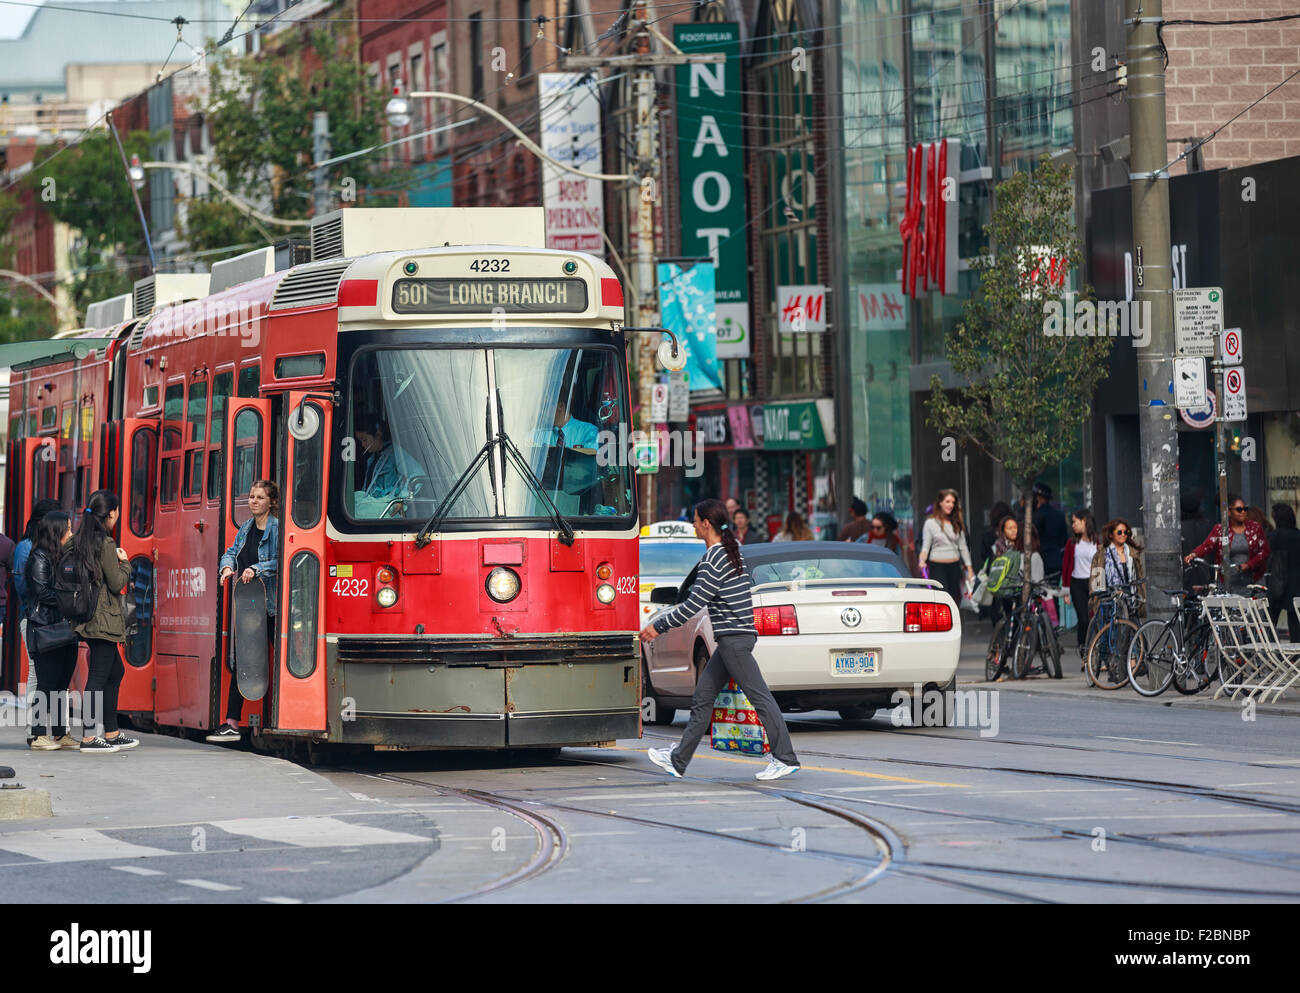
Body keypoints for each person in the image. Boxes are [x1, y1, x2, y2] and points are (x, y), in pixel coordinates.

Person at [642, 499, 800, 781]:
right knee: (703, 698)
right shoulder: (731, 550)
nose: (692, 524)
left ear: (706, 524)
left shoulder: (714, 559)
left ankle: (785, 757)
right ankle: (678, 760)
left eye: (694, 519)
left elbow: (693, 604)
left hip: (734, 642)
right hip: (733, 640)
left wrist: (658, 626)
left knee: (760, 697)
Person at [209, 481, 281, 743]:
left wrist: (257, 569)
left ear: (271, 502)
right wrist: (227, 568)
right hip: (251, 608)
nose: (253, 501)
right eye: (251, 496)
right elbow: (231, 552)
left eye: (260, 497)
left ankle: (282, 714)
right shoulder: (247, 528)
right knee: (244, 662)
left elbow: (283, 559)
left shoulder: (276, 528)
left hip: (272, 607)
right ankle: (231, 723)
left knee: (282, 661)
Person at [71, 490, 137, 753]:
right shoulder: (105, 544)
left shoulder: (79, 540)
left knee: (114, 672)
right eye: (117, 511)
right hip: (103, 619)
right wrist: (125, 563)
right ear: (111, 514)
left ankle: (111, 732)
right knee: (99, 676)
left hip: (88, 616)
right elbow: (117, 582)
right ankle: (89, 737)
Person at [24, 511, 79, 750]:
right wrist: (71, 598)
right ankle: (38, 735)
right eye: (67, 529)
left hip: (64, 626)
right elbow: (42, 592)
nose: (71, 532)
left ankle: (59, 733)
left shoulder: (62, 555)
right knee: (45, 683)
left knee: (61, 682)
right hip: (45, 627)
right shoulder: (39, 557)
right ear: (56, 532)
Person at [13, 497, 61, 744]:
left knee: (50, 674)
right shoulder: (26, 547)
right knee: (35, 673)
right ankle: (34, 730)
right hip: (32, 618)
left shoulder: (51, 546)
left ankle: (48, 729)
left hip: (49, 619)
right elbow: (25, 587)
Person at [1184, 494, 1269, 594]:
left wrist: (1249, 565)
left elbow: (1265, 551)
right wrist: (1194, 554)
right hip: (1227, 581)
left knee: (1252, 608)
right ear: (1229, 512)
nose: (1243, 512)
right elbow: (1207, 545)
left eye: (1245, 509)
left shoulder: (1255, 528)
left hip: (1252, 580)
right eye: (1239, 509)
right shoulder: (1220, 529)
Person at [354, 419, 423, 516]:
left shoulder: (395, 453)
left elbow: (417, 473)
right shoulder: (372, 459)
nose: (363, 445)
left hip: (388, 510)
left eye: (364, 440)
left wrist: (401, 499)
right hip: (373, 508)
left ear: (378, 434)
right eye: (360, 441)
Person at [919, 489, 973, 606]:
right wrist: (922, 561)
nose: (951, 505)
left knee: (955, 599)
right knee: (941, 598)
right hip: (937, 566)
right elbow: (926, 546)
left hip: (954, 565)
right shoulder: (930, 523)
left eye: (953, 502)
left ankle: (954, 623)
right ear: (940, 503)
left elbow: (963, 547)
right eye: (948, 501)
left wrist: (969, 568)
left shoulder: (956, 522)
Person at [1062, 509, 1099, 652]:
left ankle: (1095, 650)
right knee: (1083, 619)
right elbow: (1066, 567)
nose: (1073, 525)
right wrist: (1065, 591)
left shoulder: (1097, 541)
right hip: (1077, 584)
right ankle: (1084, 650)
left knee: (1095, 619)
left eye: (1074, 521)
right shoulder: (1072, 543)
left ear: (1084, 521)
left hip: (1093, 584)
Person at [1093, 519, 1145, 611]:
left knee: (1133, 624)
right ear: (1111, 535)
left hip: (1130, 597)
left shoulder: (1132, 553)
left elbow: (1139, 576)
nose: (1123, 534)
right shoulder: (1102, 554)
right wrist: (1097, 597)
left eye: (1126, 532)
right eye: (1119, 532)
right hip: (1110, 598)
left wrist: (1142, 594)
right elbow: (1097, 577)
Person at [1267, 503, 1300, 638]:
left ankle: (1272, 654)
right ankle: (1295, 656)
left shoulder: (1274, 536)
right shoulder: (1297, 535)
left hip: (1277, 583)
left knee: (1270, 622)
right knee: (1295, 624)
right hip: (1296, 584)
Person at [1032, 483, 1068, 578]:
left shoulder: (1034, 516)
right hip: (1056, 561)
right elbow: (1064, 541)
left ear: (1038, 498)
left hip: (1039, 561)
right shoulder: (1059, 515)